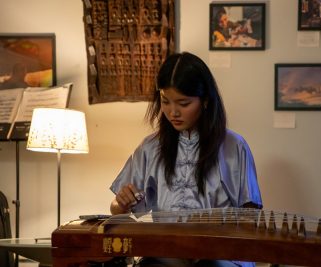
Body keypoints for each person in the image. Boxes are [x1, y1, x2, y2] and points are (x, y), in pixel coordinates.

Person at [110, 52, 263, 267]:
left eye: (183, 103)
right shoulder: (150, 147)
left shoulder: (233, 146)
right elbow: (116, 210)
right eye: (165, 101)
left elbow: (251, 217)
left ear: (206, 100)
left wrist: (210, 244)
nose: (173, 112)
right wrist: (121, 203)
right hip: (166, 255)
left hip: (219, 256)